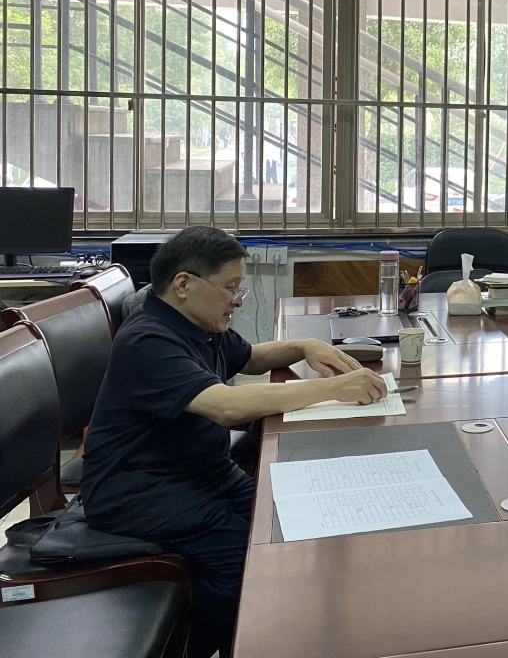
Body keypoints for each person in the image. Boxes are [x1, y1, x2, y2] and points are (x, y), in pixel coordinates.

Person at [80, 226, 389, 658]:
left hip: (202, 475)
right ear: (183, 284)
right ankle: (201, 645)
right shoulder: (147, 340)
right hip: (142, 491)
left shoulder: (198, 325)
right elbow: (225, 407)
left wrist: (305, 345)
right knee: (251, 570)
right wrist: (333, 388)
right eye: (230, 289)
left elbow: (252, 358)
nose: (238, 301)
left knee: (290, 523)